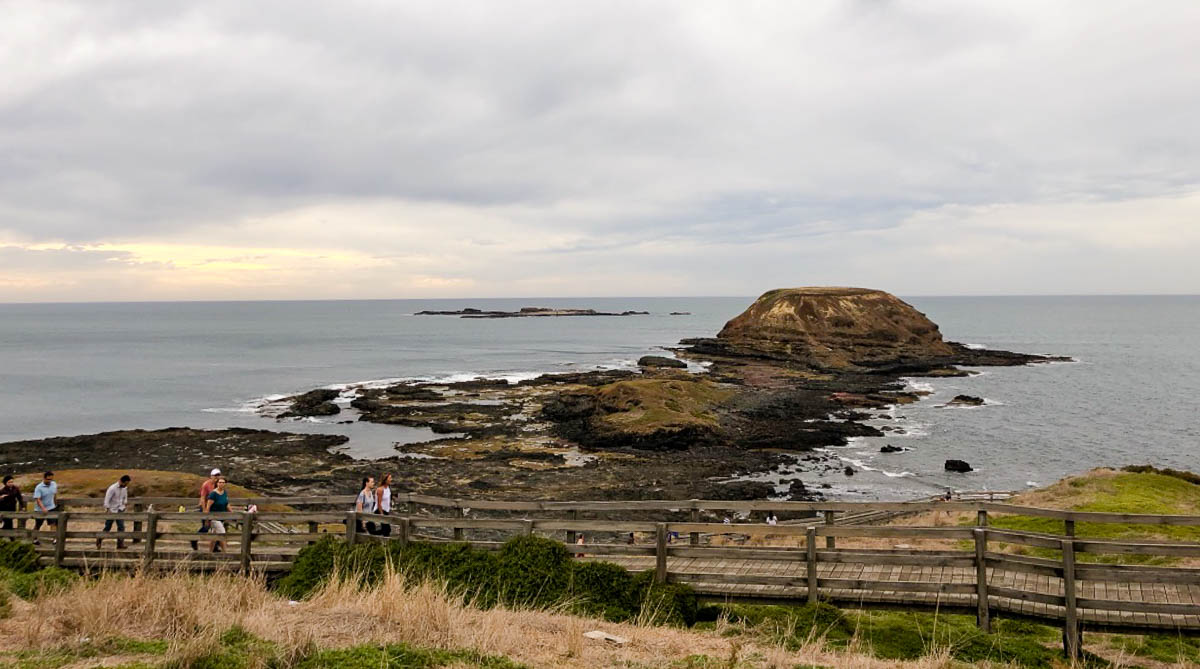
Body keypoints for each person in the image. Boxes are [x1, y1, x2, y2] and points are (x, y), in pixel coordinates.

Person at [98, 474, 131, 549]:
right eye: (125, 483)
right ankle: (99, 539)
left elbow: (125, 497)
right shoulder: (112, 488)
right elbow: (107, 500)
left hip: (120, 509)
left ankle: (120, 544)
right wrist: (108, 509)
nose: (126, 485)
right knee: (108, 527)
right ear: (121, 481)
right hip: (112, 510)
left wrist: (124, 504)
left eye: (127, 484)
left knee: (121, 527)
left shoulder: (124, 488)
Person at [193, 468, 220, 551]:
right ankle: (194, 539)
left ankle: (215, 547)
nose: (217, 477)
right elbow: (202, 498)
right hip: (206, 507)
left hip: (215, 508)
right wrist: (205, 510)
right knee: (206, 526)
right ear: (211, 476)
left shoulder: (219, 484)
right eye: (215, 475)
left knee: (217, 527)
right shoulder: (206, 485)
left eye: (218, 475)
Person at [204, 476, 230, 553]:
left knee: (214, 537)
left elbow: (227, 504)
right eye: (219, 482)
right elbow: (208, 507)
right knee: (222, 534)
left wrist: (234, 514)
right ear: (217, 483)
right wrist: (207, 519)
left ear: (225, 484)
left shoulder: (224, 493)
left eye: (223, 482)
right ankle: (226, 553)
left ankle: (210, 553)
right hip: (214, 518)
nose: (221, 484)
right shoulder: (213, 494)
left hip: (222, 517)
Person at [32, 471, 58, 545]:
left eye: (51, 479)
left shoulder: (54, 484)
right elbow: (38, 499)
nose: (50, 481)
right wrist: (43, 508)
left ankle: (54, 539)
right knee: (38, 524)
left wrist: (55, 503)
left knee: (53, 524)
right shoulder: (39, 487)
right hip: (40, 509)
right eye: (48, 479)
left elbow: (55, 494)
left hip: (51, 507)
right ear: (44, 478)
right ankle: (35, 538)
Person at [374, 473, 393, 537]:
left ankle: (373, 536)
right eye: (390, 478)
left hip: (386, 511)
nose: (391, 479)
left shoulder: (388, 488)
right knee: (387, 530)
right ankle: (372, 535)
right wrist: (382, 515)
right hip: (380, 510)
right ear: (385, 480)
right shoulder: (380, 489)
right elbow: (379, 503)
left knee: (386, 530)